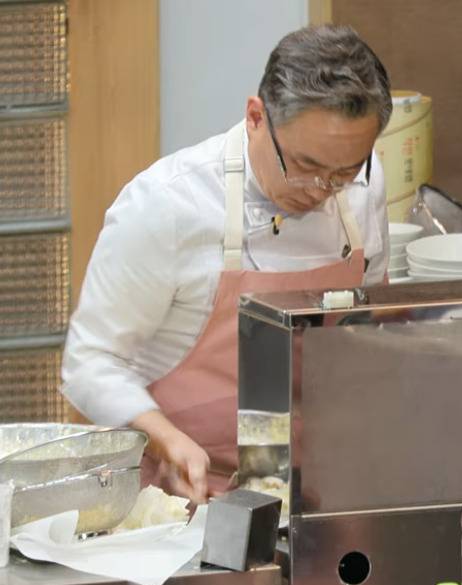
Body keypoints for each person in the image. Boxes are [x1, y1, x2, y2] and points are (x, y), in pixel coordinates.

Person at [61, 25, 392, 503]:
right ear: (256, 117)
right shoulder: (167, 206)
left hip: (311, 487)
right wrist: (165, 440)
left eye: (343, 172)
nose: (322, 189)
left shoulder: (363, 184)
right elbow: (88, 364)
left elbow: (366, 323)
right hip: (177, 493)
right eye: (304, 166)